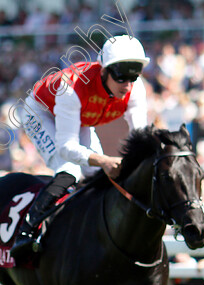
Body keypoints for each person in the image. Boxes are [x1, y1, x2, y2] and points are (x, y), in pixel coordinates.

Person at [10, 35, 150, 261]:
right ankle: (25, 232)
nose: (127, 84)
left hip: (78, 118)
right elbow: (66, 148)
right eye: (122, 76)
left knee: (96, 176)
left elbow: (141, 137)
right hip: (41, 112)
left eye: (134, 75)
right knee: (70, 171)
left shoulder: (135, 89)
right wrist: (105, 160)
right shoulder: (72, 88)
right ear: (104, 71)